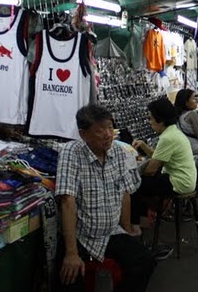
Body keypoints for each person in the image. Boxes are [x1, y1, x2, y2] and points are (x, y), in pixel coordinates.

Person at [55, 104, 155, 292]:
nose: (108, 134)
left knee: (144, 262)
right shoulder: (71, 152)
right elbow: (68, 202)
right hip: (82, 236)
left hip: (111, 232)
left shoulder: (118, 151)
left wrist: (126, 229)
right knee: (68, 278)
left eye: (110, 128)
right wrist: (71, 253)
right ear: (83, 134)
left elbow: (125, 192)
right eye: (100, 130)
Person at [131, 98, 197, 234]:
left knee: (132, 185)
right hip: (184, 179)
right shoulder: (173, 132)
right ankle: (150, 214)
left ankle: (136, 224)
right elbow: (159, 156)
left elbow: (151, 170)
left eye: (151, 119)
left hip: (179, 182)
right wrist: (144, 146)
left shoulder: (168, 138)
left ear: (160, 120)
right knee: (141, 182)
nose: (149, 122)